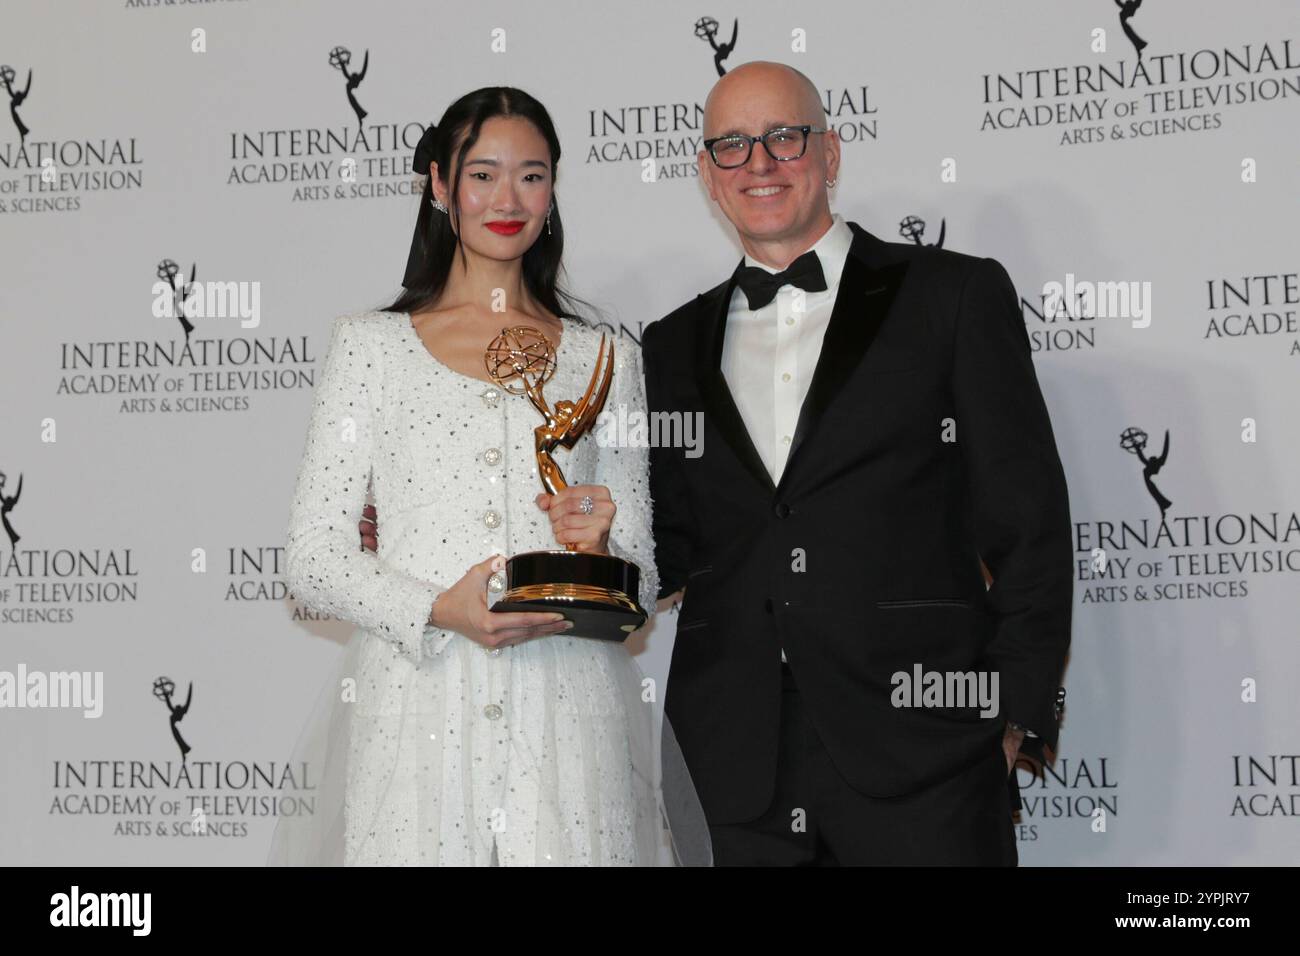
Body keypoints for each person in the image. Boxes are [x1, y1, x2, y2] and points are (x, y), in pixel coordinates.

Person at [641, 61, 1073, 865]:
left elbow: (1030, 521)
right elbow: (673, 539)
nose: (759, 163)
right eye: (732, 145)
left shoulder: (952, 296)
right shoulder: (669, 344)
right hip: (738, 761)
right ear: (706, 174)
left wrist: (1016, 714)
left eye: (784, 137)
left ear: (831, 154)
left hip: (927, 748)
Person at [269, 86, 709, 866]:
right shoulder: (369, 347)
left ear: (553, 192)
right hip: (416, 705)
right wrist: (436, 608)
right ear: (440, 185)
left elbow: (637, 588)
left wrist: (601, 544)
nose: (508, 199)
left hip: (570, 711)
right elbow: (313, 557)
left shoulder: (609, 359)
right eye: (483, 174)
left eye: (532, 176)